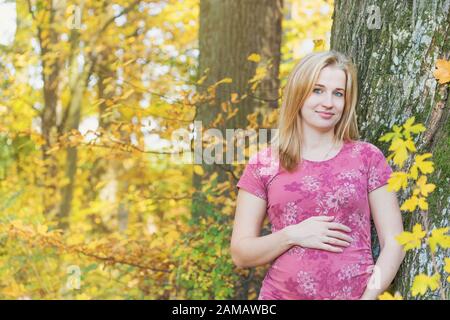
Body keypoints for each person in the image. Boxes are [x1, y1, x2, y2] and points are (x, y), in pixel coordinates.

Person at [230, 50, 405, 300]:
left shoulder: (367, 157)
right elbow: (241, 253)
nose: (328, 103)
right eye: (317, 90)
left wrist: (369, 296)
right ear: (298, 93)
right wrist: (292, 234)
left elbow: (395, 244)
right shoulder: (265, 164)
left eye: (338, 94)